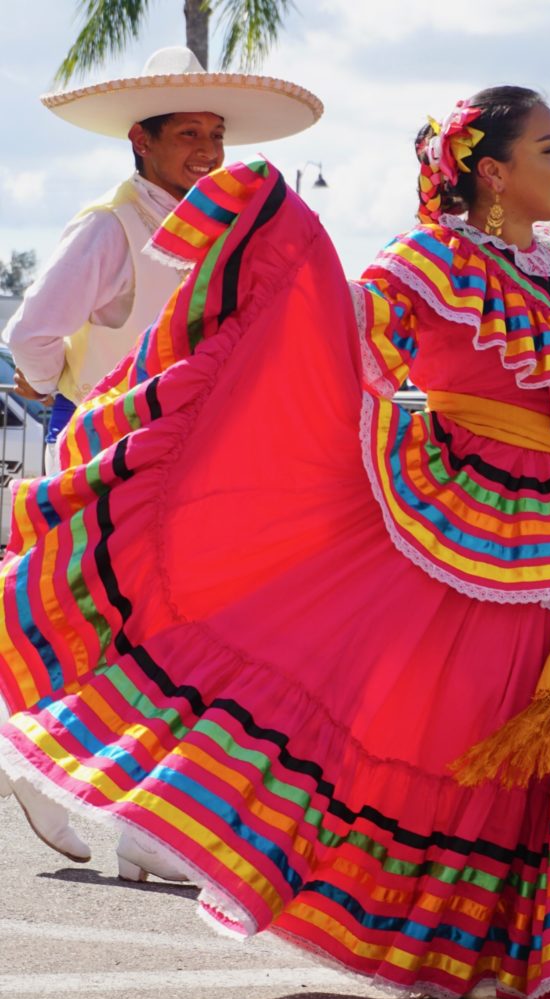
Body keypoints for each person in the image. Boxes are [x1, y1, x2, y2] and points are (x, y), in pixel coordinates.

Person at [0, 87, 550, 999]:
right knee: (475, 729)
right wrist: (275, 268)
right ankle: (466, 943)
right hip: (473, 522)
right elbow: (344, 326)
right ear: (492, 171)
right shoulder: (425, 261)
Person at [0, 45, 321, 878]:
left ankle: (132, 813)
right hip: (116, 455)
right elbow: (30, 336)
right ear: (139, 142)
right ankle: (119, 806)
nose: (209, 152)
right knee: (147, 631)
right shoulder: (111, 227)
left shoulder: (224, 227)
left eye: (215, 134)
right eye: (188, 134)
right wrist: (69, 407)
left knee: (165, 633)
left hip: (196, 458)